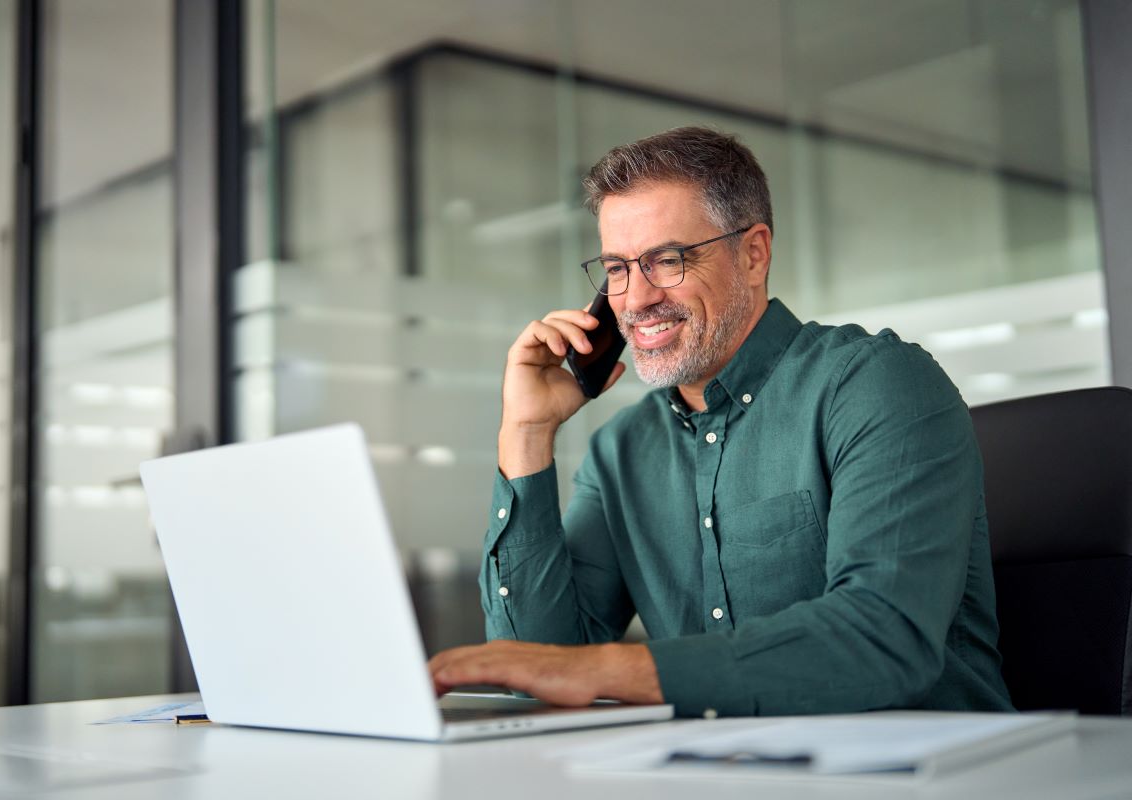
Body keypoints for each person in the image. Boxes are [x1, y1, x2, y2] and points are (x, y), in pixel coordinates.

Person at [427, 127, 1013, 717]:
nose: (634, 299)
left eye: (667, 260)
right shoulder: (621, 451)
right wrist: (526, 433)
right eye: (618, 269)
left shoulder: (874, 384)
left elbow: (882, 638)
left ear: (753, 254)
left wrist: (614, 670)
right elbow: (542, 665)